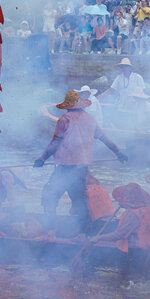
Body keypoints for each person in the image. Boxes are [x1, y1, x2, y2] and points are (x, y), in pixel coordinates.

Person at [33, 91, 128, 236]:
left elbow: (55, 142)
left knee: (49, 196)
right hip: (82, 168)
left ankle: (50, 228)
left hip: (66, 167)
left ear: (67, 107)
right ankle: (84, 234)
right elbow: (104, 139)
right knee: (79, 202)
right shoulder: (90, 119)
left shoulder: (65, 119)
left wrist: (42, 159)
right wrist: (118, 153)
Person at [90, 182, 150, 253]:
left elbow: (119, 235)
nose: (119, 201)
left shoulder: (131, 214)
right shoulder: (147, 209)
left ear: (128, 200)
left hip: (135, 250)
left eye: (121, 199)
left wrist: (98, 238)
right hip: (149, 246)